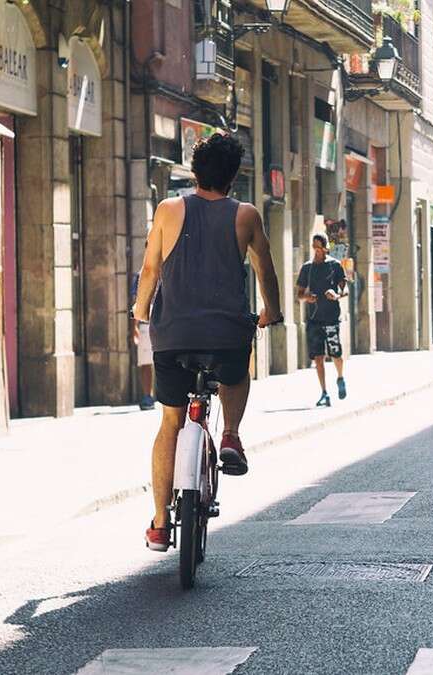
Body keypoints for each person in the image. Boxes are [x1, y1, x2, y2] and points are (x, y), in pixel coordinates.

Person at [132, 133, 282, 552]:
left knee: (170, 423)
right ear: (233, 176)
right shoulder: (246, 215)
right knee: (237, 370)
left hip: (172, 335)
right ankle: (231, 434)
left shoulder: (167, 210)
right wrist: (272, 310)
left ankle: (160, 523)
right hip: (225, 333)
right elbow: (264, 270)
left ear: (194, 171)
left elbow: (150, 270)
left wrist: (140, 311)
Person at [297, 234, 348, 407]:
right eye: (314, 248)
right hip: (314, 319)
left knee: (335, 353)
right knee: (318, 357)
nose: (317, 251)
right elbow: (299, 294)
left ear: (326, 248)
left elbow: (345, 288)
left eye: (319, 248)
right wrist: (306, 297)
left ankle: (340, 378)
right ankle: (324, 392)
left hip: (331, 317)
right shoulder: (307, 268)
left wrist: (337, 294)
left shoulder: (334, 266)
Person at [131, 273, 156, 410]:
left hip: (163, 322)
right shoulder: (140, 275)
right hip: (147, 323)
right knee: (146, 362)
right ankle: (148, 396)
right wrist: (134, 326)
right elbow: (137, 301)